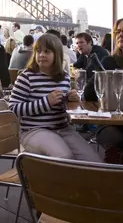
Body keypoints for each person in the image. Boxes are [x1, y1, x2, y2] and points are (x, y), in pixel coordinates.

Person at [9, 34, 101, 162]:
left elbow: (62, 106)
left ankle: (76, 182)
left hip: (62, 128)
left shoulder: (64, 77)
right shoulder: (26, 77)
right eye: (38, 51)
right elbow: (13, 108)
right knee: (64, 157)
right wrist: (46, 102)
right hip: (33, 130)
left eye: (47, 51)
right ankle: (52, 181)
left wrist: (70, 100)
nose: (41, 55)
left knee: (93, 160)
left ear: (57, 54)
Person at [84, 17, 123, 164]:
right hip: (111, 122)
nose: (121, 34)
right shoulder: (109, 62)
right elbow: (89, 93)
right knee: (115, 139)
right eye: (117, 31)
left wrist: (118, 89)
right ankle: (113, 181)